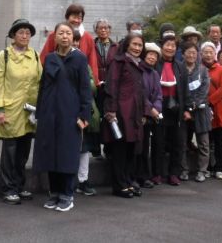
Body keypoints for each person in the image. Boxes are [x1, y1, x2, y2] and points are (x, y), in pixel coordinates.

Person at [32, 22, 92, 212]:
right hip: (50, 113)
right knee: (51, 153)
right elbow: (43, 87)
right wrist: (39, 113)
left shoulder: (80, 59)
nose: (64, 36)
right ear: (55, 37)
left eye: (68, 33)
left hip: (70, 114)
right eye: (61, 33)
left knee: (67, 154)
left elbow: (85, 89)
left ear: (73, 38)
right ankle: (55, 193)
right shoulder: (49, 58)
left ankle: (68, 194)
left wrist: (84, 114)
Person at [0, 19, 42, 205]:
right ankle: (8, 189)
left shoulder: (35, 56)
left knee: (23, 152)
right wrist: (0, 109)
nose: (25, 35)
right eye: (21, 32)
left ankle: (20, 186)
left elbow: (40, 81)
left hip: (29, 112)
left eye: (28, 33)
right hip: (11, 110)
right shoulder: (4, 55)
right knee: (10, 152)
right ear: (13, 35)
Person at [102, 34, 146, 198]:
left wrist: (143, 113)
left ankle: (128, 181)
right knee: (119, 150)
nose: (137, 48)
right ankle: (119, 185)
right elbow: (111, 86)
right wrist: (111, 111)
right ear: (127, 45)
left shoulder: (139, 64)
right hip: (120, 112)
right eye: (134, 44)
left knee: (131, 149)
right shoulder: (118, 62)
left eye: (140, 45)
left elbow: (141, 92)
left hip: (134, 113)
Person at [154, 33, 192, 186]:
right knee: (158, 142)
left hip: (177, 108)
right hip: (159, 107)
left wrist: (187, 108)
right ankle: (157, 173)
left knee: (177, 143)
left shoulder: (180, 65)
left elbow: (185, 89)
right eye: (167, 45)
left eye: (173, 46)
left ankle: (173, 174)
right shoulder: (156, 64)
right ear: (161, 47)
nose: (170, 48)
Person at [40, 4, 100, 85]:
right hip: (56, 80)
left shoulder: (88, 37)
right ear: (67, 17)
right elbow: (44, 58)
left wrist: (95, 82)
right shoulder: (55, 35)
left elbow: (92, 62)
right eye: (74, 17)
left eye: (79, 18)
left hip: (80, 80)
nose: (76, 20)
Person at [72, 30, 99, 196]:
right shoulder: (57, 59)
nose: (75, 44)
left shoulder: (84, 62)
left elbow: (92, 87)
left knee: (84, 149)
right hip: (68, 112)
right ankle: (70, 180)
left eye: (77, 41)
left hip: (84, 111)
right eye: (73, 41)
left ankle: (83, 180)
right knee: (69, 148)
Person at [133, 42, 162, 189]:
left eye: (155, 55)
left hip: (150, 116)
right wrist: (150, 109)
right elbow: (139, 93)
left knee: (145, 148)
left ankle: (144, 176)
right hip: (139, 113)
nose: (152, 57)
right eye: (150, 54)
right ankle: (135, 176)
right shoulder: (138, 70)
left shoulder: (155, 73)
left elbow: (158, 94)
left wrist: (156, 108)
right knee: (138, 147)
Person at [201, 41, 222, 181]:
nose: (208, 54)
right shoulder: (198, 68)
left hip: (218, 108)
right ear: (201, 54)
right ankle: (207, 167)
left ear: (215, 54)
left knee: (220, 140)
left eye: (211, 52)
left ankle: (220, 167)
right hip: (202, 109)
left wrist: (209, 101)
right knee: (206, 141)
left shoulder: (221, 69)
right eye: (205, 52)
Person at [182, 41, 210, 183]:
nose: (192, 55)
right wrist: (186, 108)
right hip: (185, 113)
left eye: (194, 53)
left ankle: (202, 171)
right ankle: (184, 170)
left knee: (203, 143)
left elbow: (204, 91)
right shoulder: (179, 69)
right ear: (183, 54)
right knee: (184, 142)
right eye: (189, 52)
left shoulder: (203, 70)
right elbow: (179, 91)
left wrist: (192, 106)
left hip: (200, 111)